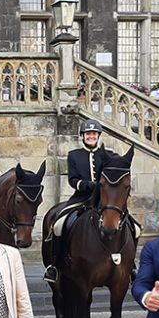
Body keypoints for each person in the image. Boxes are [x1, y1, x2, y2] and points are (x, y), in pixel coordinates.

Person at [43, 118, 114, 283]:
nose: (91, 136)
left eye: (94, 133)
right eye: (88, 134)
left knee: (132, 225)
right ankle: (55, 265)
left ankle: (130, 265)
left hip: (104, 199)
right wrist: (87, 185)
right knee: (60, 224)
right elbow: (73, 180)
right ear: (83, 136)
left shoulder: (109, 154)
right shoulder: (74, 155)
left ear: (98, 136)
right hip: (82, 198)